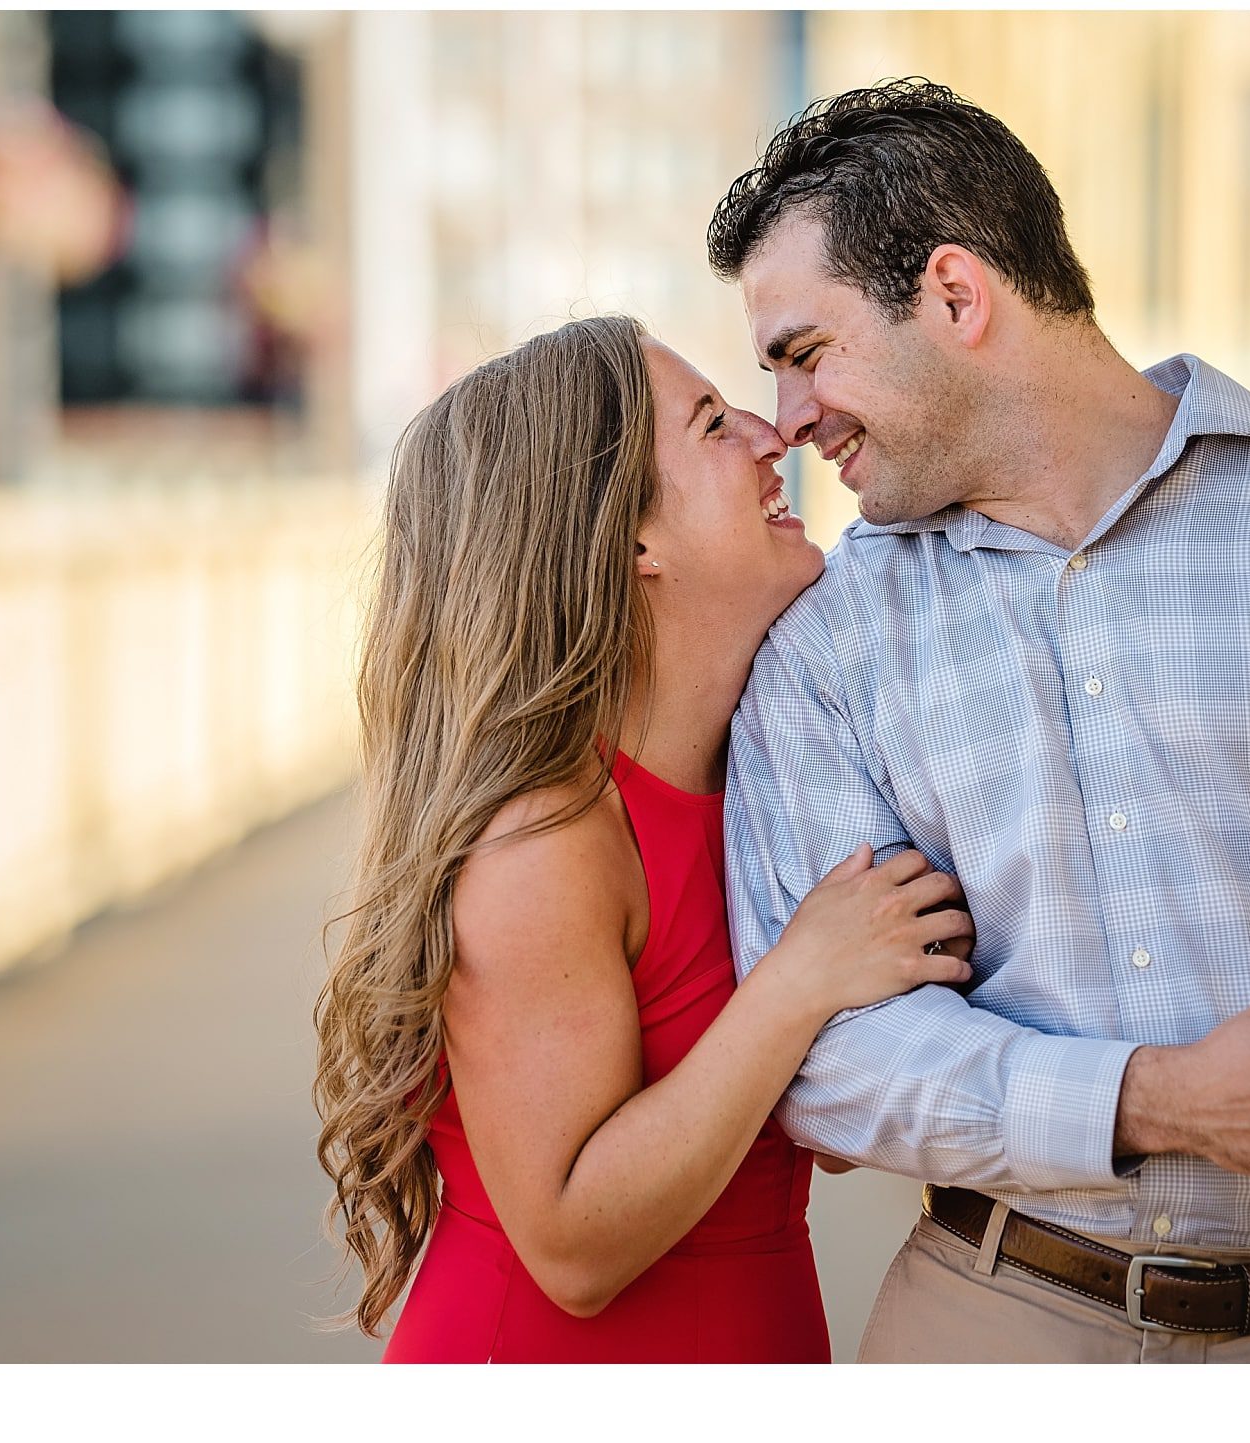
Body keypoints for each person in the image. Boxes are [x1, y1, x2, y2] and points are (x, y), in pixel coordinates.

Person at [707, 80, 1250, 1364]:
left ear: (957, 296)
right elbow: (823, 1056)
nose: (789, 420)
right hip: (997, 1328)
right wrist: (1152, 1102)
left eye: (805, 352)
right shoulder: (828, 640)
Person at [311, 315, 975, 1363]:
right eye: (712, 422)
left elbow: (804, 1123)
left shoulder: (761, 775)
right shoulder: (544, 841)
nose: (768, 434)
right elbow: (573, 1249)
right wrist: (802, 982)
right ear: (632, 540)